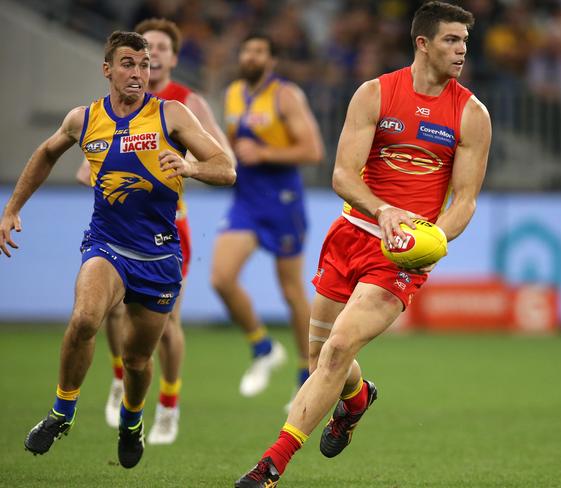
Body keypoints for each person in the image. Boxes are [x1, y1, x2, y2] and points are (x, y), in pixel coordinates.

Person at [235, 2, 491, 486]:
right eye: (451, 40)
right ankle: (355, 399)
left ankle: (271, 464)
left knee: (335, 351)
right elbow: (341, 176)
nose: (461, 50)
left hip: (400, 255)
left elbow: (465, 201)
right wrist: (382, 210)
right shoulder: (375, 93)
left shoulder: (472, 113)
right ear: (423, 43)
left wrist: (432, 239)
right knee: (323, 363)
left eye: (464, 41)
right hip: (350, 235)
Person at [0, 31, 235, 469]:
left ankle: (131, 422)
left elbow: (226, 168)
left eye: (145, 64)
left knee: (138, 359)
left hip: (160, 255)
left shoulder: (172, 114)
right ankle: (61, 412)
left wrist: (190, 166)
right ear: (107, 69)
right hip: (106, 244)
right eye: (129, 63)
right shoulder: (83, 119)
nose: (139, 72)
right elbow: (46, 152)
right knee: (85, 318)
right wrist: (12, 208)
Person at [76, 18, 234, 445]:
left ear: (172, 58)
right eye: (148, 50)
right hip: (117, 226)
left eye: (161, 49)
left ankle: (168, 406)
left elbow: (224, 160)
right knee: (106, 310)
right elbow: (84, 164)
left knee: (165, 327)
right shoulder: (107, 110)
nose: (155, 56)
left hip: (168, 228)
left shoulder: (185, 105)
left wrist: (189, 167)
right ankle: (118, 381)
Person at [211, 34, 324, 402]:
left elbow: (313, 150)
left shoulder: (285, 95)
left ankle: (307, 371)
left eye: (259, 50)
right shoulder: (231, 95)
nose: (250, 55)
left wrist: (264, 152)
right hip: (246, 200)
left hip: (282, 201)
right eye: (246, 49)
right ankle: (262, 347)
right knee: (221, 278)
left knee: (292, 290)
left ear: (272, 59)